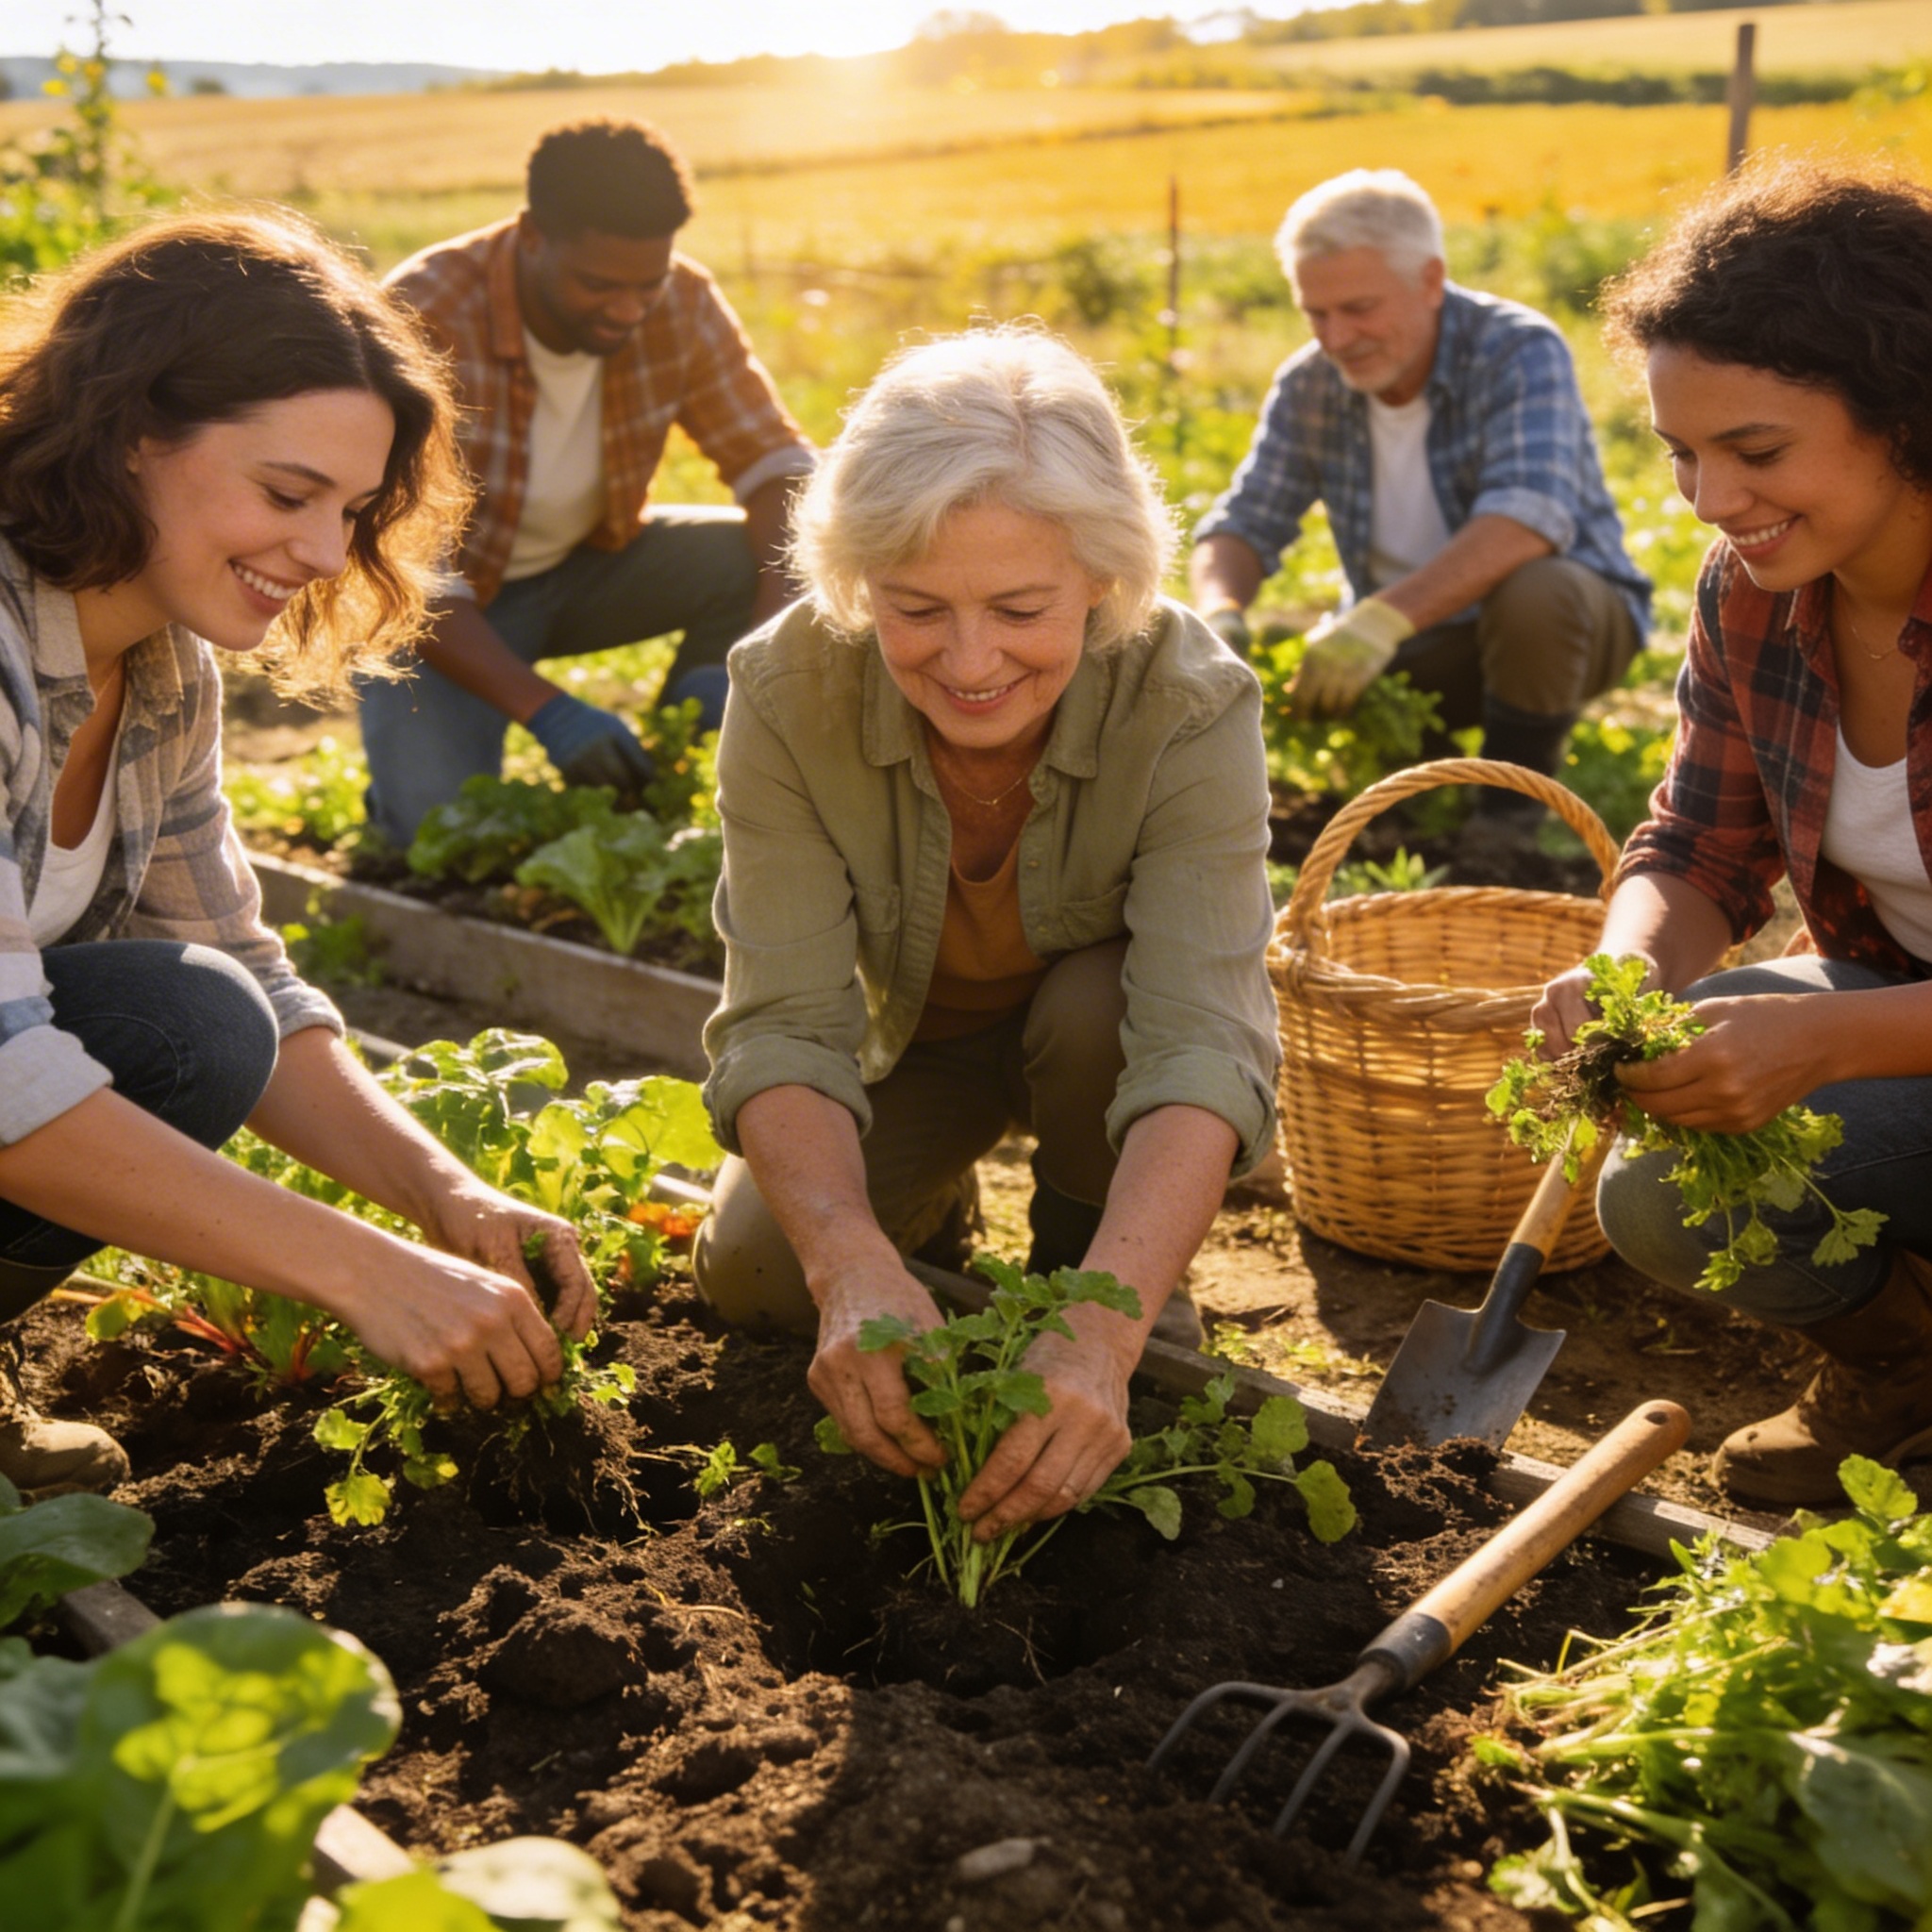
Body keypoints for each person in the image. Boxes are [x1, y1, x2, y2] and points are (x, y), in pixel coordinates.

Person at [0, 209, 598, 1496]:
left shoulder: (158, 668)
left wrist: (446, 1197)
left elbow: (241, 972)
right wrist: (366, 1272)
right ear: (128, 434)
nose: (326, 554)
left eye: (353, 509)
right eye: (288, 494)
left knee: (200, 1021)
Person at [692, 328, 1280, 1541]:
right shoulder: (788, 687)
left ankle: (1092, 1271)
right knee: (755, 1272)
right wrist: (847, 1260)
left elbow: (1201, 1044)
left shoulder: (1188, 700)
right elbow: (783, 1021)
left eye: (1020, 609)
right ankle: (926, 1237)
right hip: (911, 1041)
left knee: (1094, 1016)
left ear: (1102, 581)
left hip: (1100, 1046)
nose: (968, 661)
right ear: (859, 583)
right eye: (914, 609)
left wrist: (1103, 1321)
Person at [1533, 163, 1932, 1508]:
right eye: (1681, 453)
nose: (1709, 497)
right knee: (1661, 1188)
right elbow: (1700, 847)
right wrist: (1631, 970)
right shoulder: (1758, 593)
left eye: (1754, 453)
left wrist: (1822, 1039)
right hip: (1905, 1015)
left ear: (1904, 413)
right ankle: (1904, 1369)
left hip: (1887, 1027)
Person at [359, 118, 817, 845]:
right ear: (533, 237)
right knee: (438, 837)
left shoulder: (683, 302)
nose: (631, 309)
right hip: (442, 611)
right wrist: (550, 710)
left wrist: (758, 655)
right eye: (600, 285)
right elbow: (402, 564)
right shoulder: (425, 310)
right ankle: (411, 780)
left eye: (648, 284)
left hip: (584, 571)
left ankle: (676, 754)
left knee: (762, 554)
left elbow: (781, 471)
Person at [1191, 168, 1650, 851]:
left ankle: (1509, 817)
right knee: (1362, 748)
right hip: (1416, 640)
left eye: (1359, 308)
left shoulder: (1515, 350)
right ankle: (1420, 787)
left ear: (1430, 281)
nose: (1336, 336)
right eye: (1316, 313)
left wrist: (1377, 619)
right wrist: (1220, 616)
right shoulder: (1312, 383)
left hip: (1568, 626)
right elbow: (1244, 522)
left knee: (1536, 592)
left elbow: (1528, 517)